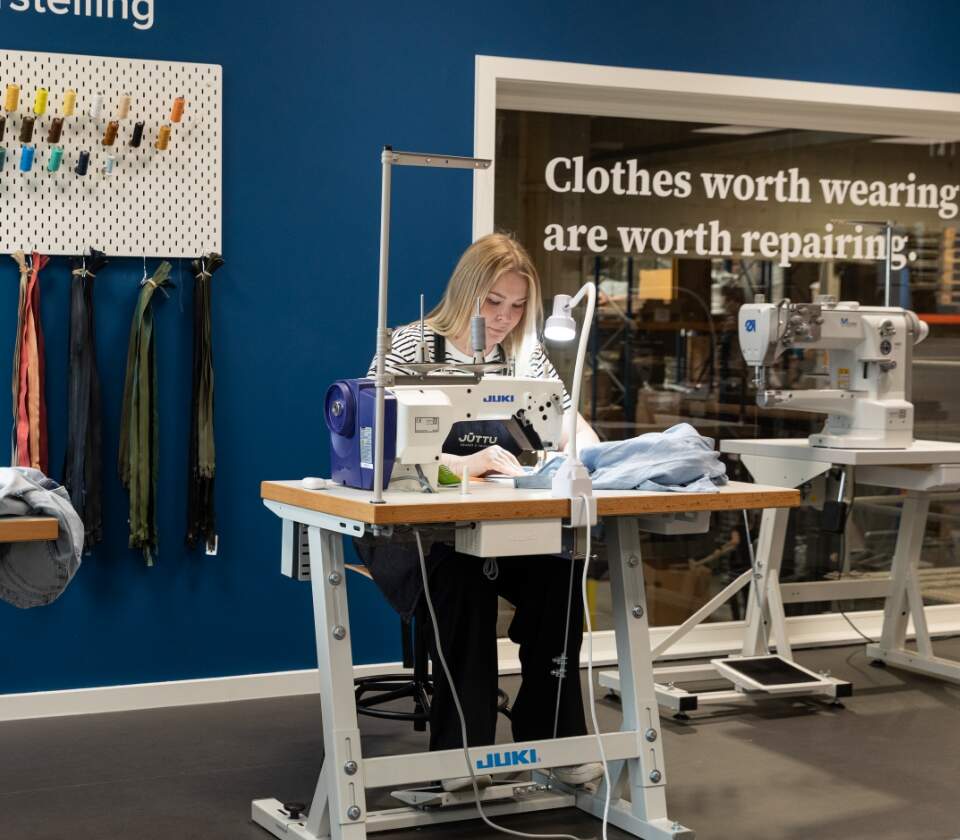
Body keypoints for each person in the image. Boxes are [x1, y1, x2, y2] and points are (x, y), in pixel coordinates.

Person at [362, 233, 604, 791]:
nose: (503, 318)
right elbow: (379, 449)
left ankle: (554, 737)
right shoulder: (409, 345)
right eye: (493, 302)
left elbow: (566, 422)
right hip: (416, 529)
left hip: (497, 523)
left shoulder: (523, 353)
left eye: (517, 306)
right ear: (465, 292)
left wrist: (588, 459)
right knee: (463, 580)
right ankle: (462, 753)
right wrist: (461, 467)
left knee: (561, 575)